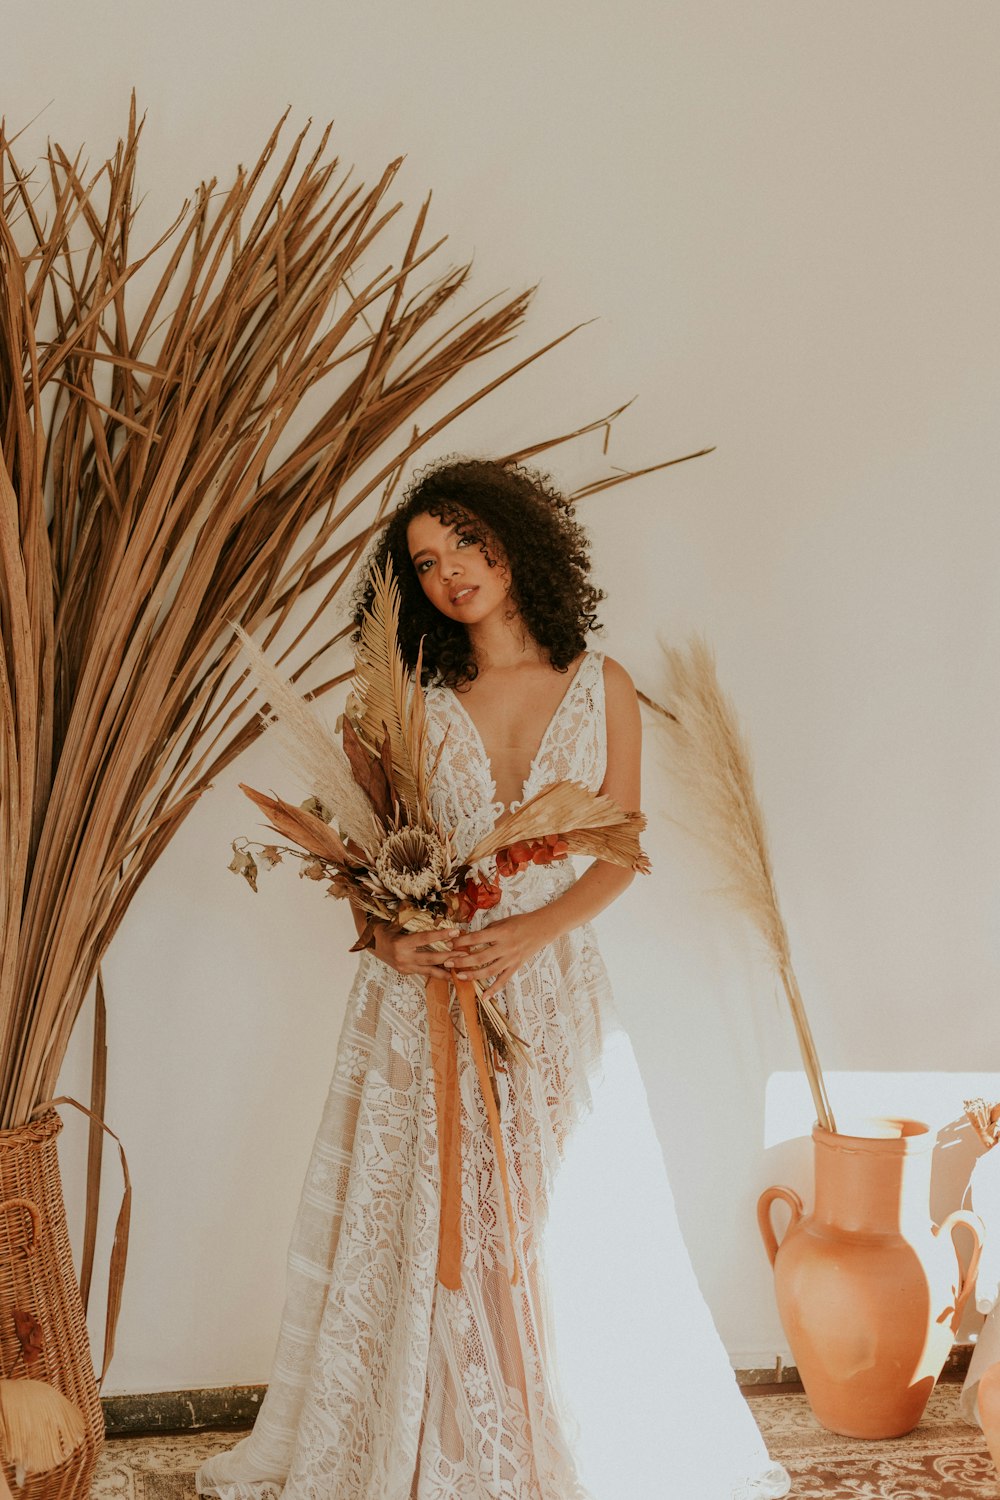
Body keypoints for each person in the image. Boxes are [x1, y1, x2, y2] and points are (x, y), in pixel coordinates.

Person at [197, 459, 791, 1500]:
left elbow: (618, 848)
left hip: (552, 987)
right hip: (425, 989)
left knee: (557, 1214)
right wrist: (387, 942)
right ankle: (428, 1439)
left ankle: (561, 1430)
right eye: (425, 562)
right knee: (433, 1212)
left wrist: (537, 935)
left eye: (466, 543)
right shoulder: (404, 698)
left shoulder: (601, 683)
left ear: (518, 540)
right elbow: (364, 852)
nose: (451, 573)